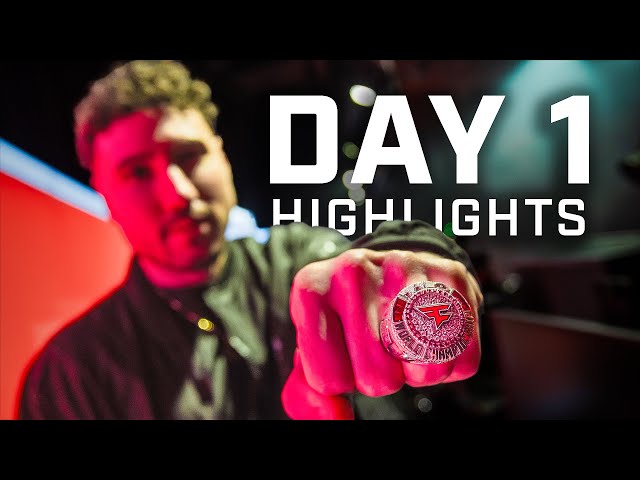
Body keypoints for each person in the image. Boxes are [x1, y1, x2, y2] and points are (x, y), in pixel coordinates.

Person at [18, 60, 483, 420]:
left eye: (190, 155)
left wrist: (421, 270)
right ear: (105, 194)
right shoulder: (70, 373)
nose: (178, 192)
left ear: (223, 158)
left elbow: (371, 256)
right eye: (137, 172)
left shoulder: (296, 259)